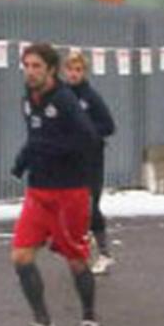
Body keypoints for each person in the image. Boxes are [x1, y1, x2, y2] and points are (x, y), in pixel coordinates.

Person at [10, 43, 103, 326]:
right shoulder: (27, 100)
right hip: (38, 192)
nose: (30, 71)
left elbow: (88, 139)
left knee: (76, 260)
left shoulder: (65, 100)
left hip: (69, 192)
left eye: (37, 66)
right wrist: (22, 161)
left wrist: (51, 151)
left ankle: (89, 321)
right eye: (27, 65)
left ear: (50, 70)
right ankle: (43, 324)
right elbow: (36, 138)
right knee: (21, 257)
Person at [62, 51, 117, 274]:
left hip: (91, 160)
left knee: (91, 205)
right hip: (69, 160)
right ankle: (82, 242)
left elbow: (109, 126)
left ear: (84, 72)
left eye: (78, 70)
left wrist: (88, 133)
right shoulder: (61, 95)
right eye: (70, 70)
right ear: (64, 71)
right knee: (70, 206)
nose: (74, 74)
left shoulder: (90, 97)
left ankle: (105, 254)